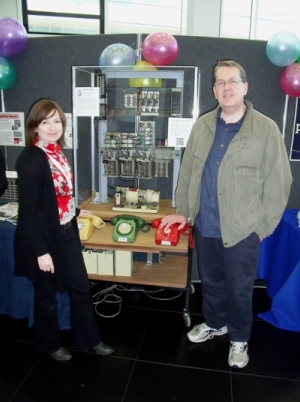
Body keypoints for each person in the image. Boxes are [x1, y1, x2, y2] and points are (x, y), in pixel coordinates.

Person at [160, 60, 292, 369]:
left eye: (233, 81)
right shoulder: (203, 125)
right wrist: (184, 213)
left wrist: (262, 227)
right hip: (205, 225)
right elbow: (189, 172)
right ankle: (215, 324)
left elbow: (280, 181)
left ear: (245, 87)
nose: (226, 87)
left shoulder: (265, 129)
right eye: (220, 83)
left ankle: (239, 340)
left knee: (239, 289)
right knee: (212, 282)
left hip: (243, 230)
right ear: (214, 90)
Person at [14, 98, 114, 361]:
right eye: (45, 122)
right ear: (34, 126)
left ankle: (89, 339)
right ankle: (49, 344)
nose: (51, 127)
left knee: (80, 286)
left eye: (56, 121)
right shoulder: (32, 160)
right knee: (46, 293)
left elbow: (57, 195)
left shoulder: (57, 152)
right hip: (43, 237)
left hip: (66, 229)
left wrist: (77, 211)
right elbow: (29, 212)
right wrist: (41, 252)